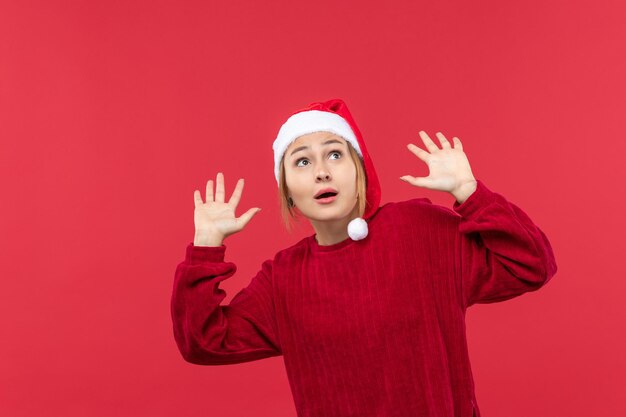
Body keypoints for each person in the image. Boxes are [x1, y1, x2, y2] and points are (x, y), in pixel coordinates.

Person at [170, 98, 558, 417]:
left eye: (335, 155)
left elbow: (531, 264)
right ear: (288, 190)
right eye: (302, 162)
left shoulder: (420, 230)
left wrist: (469, 192)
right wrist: (206, 246)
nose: (322, 172)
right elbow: (203, 342)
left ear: (360, 170)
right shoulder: (283, 280)